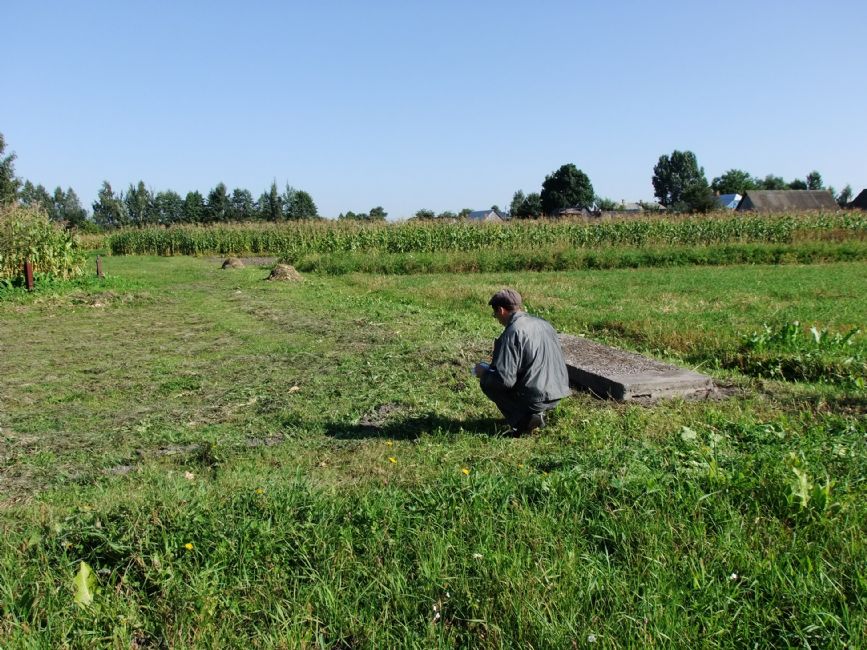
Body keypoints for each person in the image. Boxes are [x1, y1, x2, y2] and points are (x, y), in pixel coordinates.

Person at [474, 288, 571, 434]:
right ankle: (535, 413)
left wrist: (484, 372)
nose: (496, 318)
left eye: (494, 314)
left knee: (489, 382)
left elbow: (504, 380)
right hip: (558, 390)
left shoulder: (512, 332)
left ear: (501, 310)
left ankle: (524, 421)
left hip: (536, 397)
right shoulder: (543, 323)